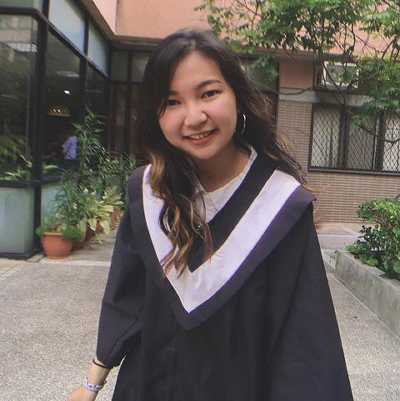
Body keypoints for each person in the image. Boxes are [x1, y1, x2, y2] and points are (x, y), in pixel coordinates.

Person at [67, 29, 354, 401]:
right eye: (172, 101)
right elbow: (126, 299)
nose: (194, 117)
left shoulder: (281, 206)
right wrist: (92, 383)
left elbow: (303, 343)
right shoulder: (150, 192)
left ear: (237, 95)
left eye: (209, 93)